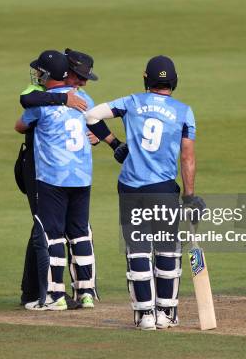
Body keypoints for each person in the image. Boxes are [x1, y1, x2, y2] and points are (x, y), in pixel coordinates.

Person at [85, 55, 204, 330]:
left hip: (130, 187)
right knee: (167, 251)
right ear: (174, 82)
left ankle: (144, 316)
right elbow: (187, 157)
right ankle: (166, 313)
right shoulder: (184, 111)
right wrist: (189, 195)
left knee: (137, 250)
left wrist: (115, 143)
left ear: (145, 79)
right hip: (162, 189)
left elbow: (91, 116)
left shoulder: (131, 102)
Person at [16, 48, 122, 308]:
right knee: (80, 234)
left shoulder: (41, 102)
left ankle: (54, 296)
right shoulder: (83, 97)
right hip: (82, 177)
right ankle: (85, 293)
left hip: (52, 176)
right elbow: (92, 120)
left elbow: (20, 125)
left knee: (50, 235)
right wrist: (114, 143)